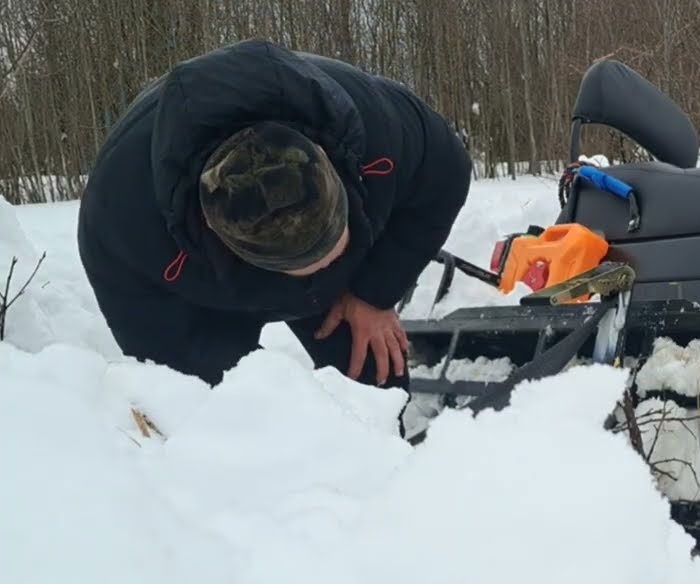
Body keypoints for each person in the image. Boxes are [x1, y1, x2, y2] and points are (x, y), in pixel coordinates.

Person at [77, 38, 471, 419]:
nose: (322, 272)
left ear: (328, 159)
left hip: (339, 284)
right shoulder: (121, 219)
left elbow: (446, 175)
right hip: (207, 292)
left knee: (372, 371)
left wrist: (374, 292)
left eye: (335, 248)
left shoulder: (374, 124)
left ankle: (385, 449)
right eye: (306, 268)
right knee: (231, 411)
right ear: (215, 231)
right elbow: (164, 343)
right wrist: (262, 412)